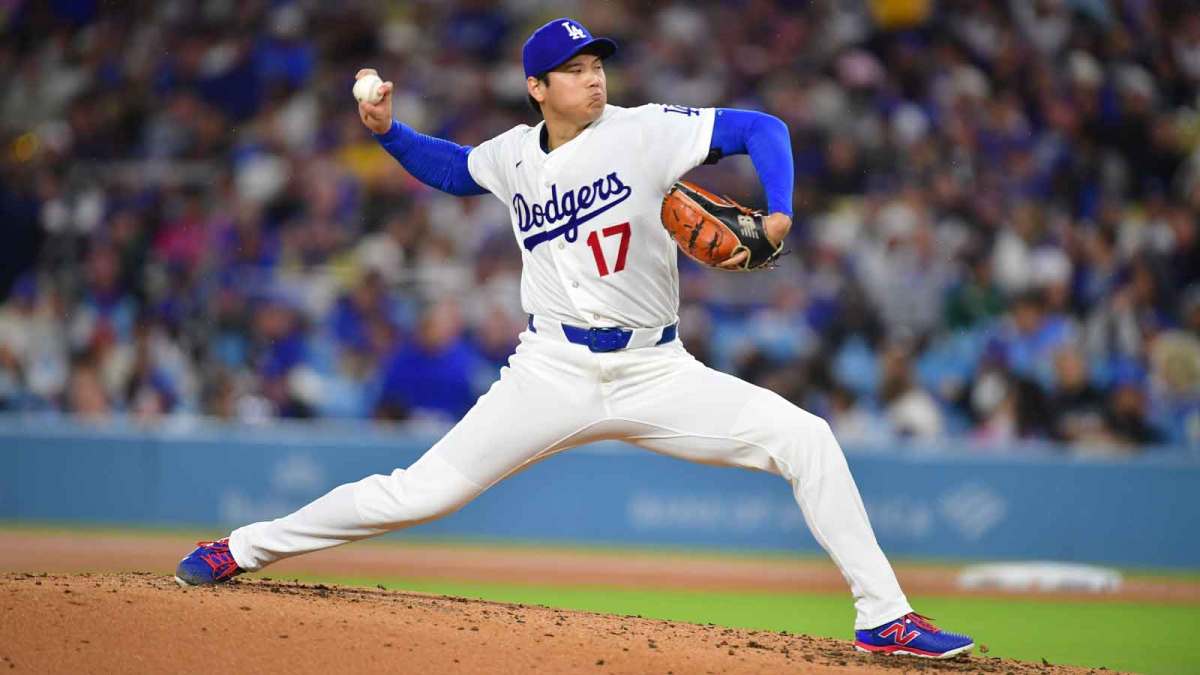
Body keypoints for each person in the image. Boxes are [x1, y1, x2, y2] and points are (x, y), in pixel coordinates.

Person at [175, 18, 973, 659]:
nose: (594, 76)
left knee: (807, 438)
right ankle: (240, 548)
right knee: (417, 493)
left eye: (598, 63)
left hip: (656, 368)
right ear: (537, 88)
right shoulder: (514, 156)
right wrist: (387, 130)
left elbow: (762, 127)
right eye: (576, 68)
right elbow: (454, 169)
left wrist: (781, 211)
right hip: (550, 369)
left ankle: (884, 617)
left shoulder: (648, 130)